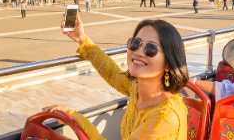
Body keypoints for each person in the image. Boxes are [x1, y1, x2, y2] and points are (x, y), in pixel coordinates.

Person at [45, 16, 189, 140]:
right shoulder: (137, 89)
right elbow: (112, 74)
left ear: (169, 63)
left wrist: (74, 117)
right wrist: (82, 39)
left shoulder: (164, 117)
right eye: (135, 43)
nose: (138, 52)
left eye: (151, 49)